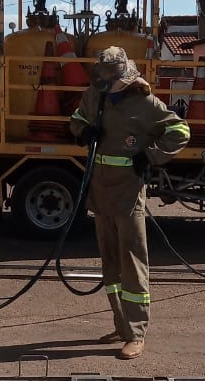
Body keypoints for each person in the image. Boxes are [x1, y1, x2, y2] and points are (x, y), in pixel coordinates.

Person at [70, 46, 190, 359]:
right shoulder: (95, 96)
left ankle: (137, 333)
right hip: (100, 190)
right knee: (110, 264)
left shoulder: (145, 102)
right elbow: (76, 119)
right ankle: (122, 326)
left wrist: (151, 156)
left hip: (128, 193)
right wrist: (83, 131)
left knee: (133, 262)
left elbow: (179, 129)